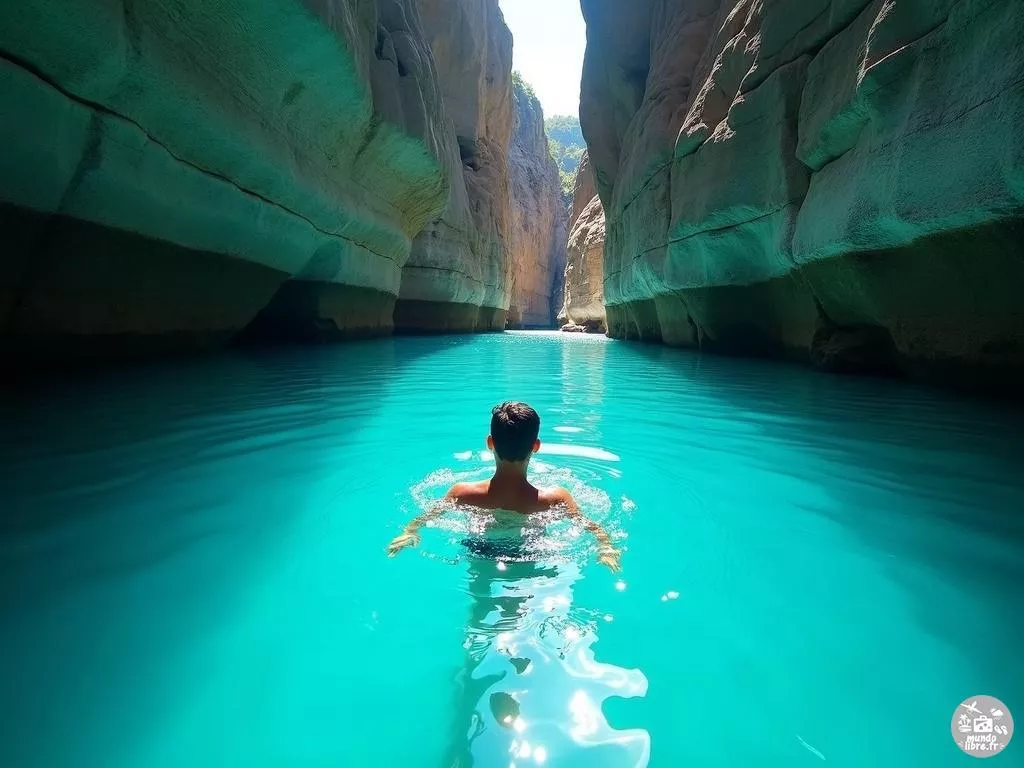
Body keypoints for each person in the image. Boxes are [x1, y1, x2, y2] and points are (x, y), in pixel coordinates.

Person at [387, 401, 622, 572]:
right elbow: (595, 530)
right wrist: (607, 549)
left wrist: (408, 533)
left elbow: (423, 520)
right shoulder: (556, 498)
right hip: (532, 554)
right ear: (536, 446)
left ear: (490, 443)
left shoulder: (462, 493)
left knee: (479, 598)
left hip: (480, 551)